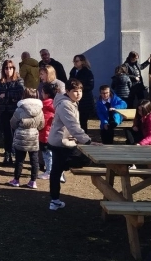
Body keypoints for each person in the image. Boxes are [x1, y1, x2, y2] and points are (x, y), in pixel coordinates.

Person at [48, 79, 98, 211]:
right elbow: (73, 126)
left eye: (80, 91)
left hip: (62, 141)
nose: (78, 94)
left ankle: (54, 200)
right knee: (87, 159)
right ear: (68, 91)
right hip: (62, 142)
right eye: (75, 91)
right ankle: (54, 200)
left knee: (56, 170)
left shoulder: (70, 102)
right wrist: (87, 141)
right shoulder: (65, 104)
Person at [9, 88, 44, 189]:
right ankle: (33, 181)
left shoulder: (20, 109)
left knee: (19, 160)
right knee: (34, 160)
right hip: (33, 137)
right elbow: (42, 124)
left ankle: (16, 180)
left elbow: (13, 123)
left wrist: (19, 127)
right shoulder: (40, 110)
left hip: (21, 136)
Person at [0, 60, 25, 165]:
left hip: (15, 112)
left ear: (14, 69)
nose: (8, 70)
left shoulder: (19, 81)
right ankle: (7, 155)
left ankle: (16, 155)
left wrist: (6, 95)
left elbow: (19, 94)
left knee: (15, 134)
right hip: (3, 112)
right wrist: (9, 97)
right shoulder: (0, 82)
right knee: (6, 134)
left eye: (10, 68)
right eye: (6, 68)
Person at [69, 54, 95, 133]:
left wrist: (79, 89)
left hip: (85, 100)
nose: (75, 63)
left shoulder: (87, 72)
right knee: (75, 120)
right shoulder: (73, 71)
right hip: (74, 99)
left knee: (83, 121)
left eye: (77, 61)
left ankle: (83, 137)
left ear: (82, 61)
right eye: (74, 61)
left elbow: (90, 86)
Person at [38, 83, 56, 180]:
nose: (41, 93)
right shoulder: (54, 104)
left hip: (45, 134)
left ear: (47, 94)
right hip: (51, 134)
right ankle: (50, 170)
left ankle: (49, 171)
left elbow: (43, 122)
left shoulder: (45, 106)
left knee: (47, 154)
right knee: (50, 154)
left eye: (43, 92)